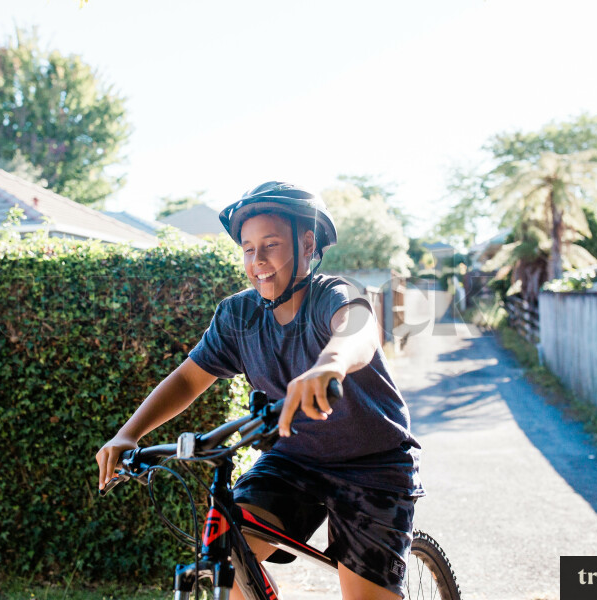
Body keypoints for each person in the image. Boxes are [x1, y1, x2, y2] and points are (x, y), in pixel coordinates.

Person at [97, 181, 423, 600]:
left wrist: (330, 365)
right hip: (292, 459)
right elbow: (187, 378)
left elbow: (357, 326)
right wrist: (130, 433)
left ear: (307, 244)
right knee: (228, 552)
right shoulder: (239, 315)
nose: (258, 261)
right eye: (248, 249)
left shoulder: (330, 295)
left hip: (373, 463)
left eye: (270, 244)